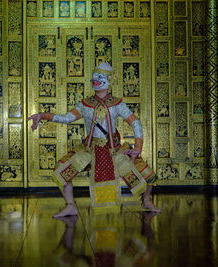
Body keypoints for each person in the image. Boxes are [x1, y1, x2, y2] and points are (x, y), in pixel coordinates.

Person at [27, 62, 161, 217]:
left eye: (100, 77)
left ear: (110, 80)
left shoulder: (117, 104)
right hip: (89, 150)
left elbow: (136, 124)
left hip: (114, 150)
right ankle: (70, 205)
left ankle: (146, 201)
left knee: (150, 175)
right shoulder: (85, 104)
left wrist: (137, 149)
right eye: (94, 77)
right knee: (60, 170)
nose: (95, 80)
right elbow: (67, 118)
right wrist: (43, 115)